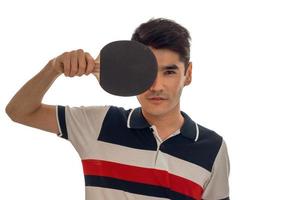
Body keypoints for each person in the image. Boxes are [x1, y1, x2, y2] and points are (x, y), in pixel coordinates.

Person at [6, 18, 230, 200]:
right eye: (147, 72)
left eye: (169, 72)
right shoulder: (98, 123)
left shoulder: (213, 148)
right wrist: (54, 68)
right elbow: (18, 111)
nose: (156, 86)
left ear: (188, 74)